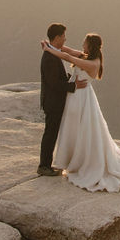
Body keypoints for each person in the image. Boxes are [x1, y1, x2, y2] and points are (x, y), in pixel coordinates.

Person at [40, 32, 120, 193]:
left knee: (81, 128)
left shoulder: (92, 64)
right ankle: (73, 159)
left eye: (85, 42)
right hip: (76, 97)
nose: (82, 44)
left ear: (90, 45)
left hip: (81, 98)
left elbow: (68, 58)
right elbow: (69, 51)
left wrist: (47, 49)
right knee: (75, 128)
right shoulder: (87, 57)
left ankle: (80, 161)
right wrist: (51, 44)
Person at [38, 22, 86, 176]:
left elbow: (65, 54)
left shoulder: (52, 51)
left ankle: (47, 164)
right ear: (57, 37)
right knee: (50, 133)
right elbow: (53, 83)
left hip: (54, 101)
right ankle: (44, 166)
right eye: (64, 36)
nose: (65, 39)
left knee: (52, 132)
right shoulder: (49, 57)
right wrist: (73, 86)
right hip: (53, 102)